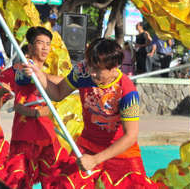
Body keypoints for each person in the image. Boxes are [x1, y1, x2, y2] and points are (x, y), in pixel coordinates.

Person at [23, 38, 159, 188]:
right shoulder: (82, 72)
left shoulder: (128, 92)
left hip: (121, 153)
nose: (92, 73)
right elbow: (58, 93)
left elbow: (130, 136)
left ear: (114, 68)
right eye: (90, 66)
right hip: (87, 147)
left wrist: (95, 160)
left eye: (98, 69)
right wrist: (39, 75)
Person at [4, 27, 68, 189]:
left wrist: (42, 111)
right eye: (41, 43)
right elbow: (23, 76)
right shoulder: (23, 66)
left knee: (55, 182)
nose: (45, 47)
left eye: (48, 44)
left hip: (47, 137)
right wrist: (34, 112)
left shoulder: (41, 72)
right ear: (31, 47)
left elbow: (61, 83)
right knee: (18, 183)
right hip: (24, 137)